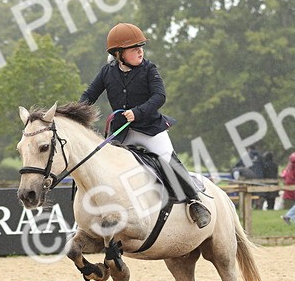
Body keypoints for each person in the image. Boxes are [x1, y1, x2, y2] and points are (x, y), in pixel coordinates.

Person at [80, 23, 210, 228]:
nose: (140, 51)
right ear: (119, 54)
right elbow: (89, 95)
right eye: (134, 48)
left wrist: (138, 112)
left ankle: (195, 202)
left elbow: (160, 96)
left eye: (141, 47)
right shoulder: (107, 72)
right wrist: (76, 115)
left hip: (150, 130)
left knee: (167, 158)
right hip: (122, 134)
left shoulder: (149, 69)